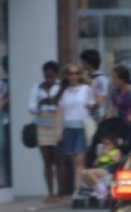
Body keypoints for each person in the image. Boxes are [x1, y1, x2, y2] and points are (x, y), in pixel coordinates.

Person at [55, 64, 98, 204]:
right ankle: (79, 189)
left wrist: (92, 107)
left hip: (82, 127)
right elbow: (60, 112)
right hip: (69, 127)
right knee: (75, 162)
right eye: (71, 73)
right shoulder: (64, 92)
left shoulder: (86, 89)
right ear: (66, 76)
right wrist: (57, 129)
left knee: (80, 159)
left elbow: (93, 106)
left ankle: (80, 189)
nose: (74, 76)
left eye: (76, 73)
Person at [29, 61, 63, 201]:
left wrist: (53, 103)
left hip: (56, 124)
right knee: (47, 160)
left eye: (52, 75)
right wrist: (40, 103)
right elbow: (30, 107)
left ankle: (59, 193)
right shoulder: (37, 88)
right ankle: (50, 193)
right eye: (47, 75)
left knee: (58, 160)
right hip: (42, 125)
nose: (49, 78)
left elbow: (64, 105)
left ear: (56, 74)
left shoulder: (61, 87)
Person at [80, 48, 110, 120]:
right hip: (86, 113)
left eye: (83, 61)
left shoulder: (100, 79)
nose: (82, 64)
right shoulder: (85, 77)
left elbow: (100, 99)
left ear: (90, 63)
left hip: (97, 115)